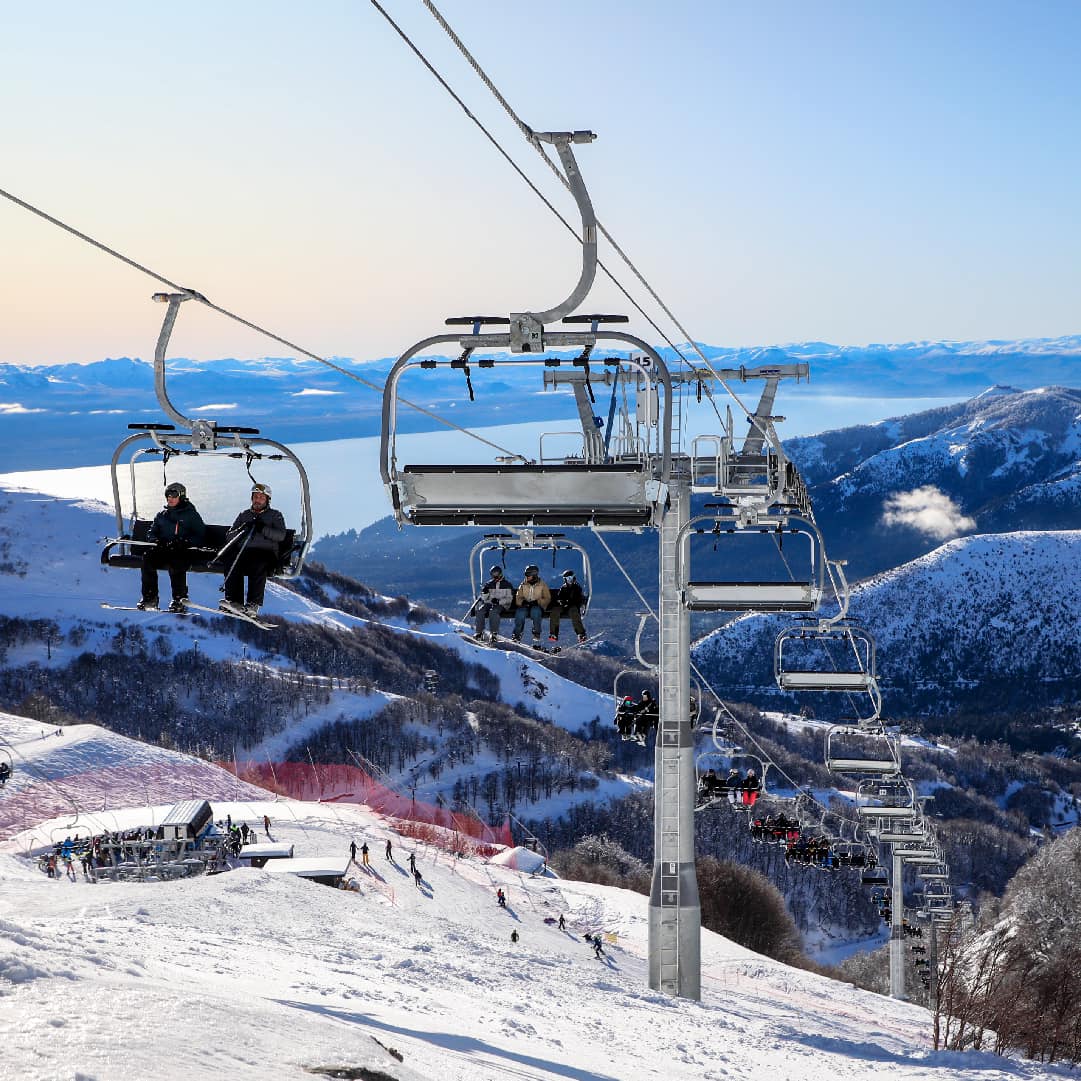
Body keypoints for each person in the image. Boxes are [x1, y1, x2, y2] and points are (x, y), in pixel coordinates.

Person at [220, 482, 288, 619]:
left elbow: (281, 535)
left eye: (261, 498)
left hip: (265, 552)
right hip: (245, 551)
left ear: (267, 500)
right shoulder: (244, 515)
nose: (258, 500)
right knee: (232, 561)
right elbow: (229, 535)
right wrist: (241, 529)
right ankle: (233, 601)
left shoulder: (275, 515)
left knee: (257, 564)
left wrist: (263, 529)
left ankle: (253, 604)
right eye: (255, 497)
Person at [138, 482, 206, 611]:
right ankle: (150, 597)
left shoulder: (190, 515)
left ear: (181, 497)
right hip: (165, 549)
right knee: (148, 558)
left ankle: (179, 599)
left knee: (176, 562)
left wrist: (185, 542)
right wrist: (157, 540)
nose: (170, 498)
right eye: (168, 495)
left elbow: (200, 535)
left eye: (173, 495)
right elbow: (151, 532)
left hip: (183, 551)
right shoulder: (162, 515)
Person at [473, 566, 515, 642]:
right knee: (480, 611)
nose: (495, 576)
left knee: (493, 612)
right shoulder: (489, 584)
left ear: (500, 574)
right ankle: (479, 632)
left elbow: (509, 599)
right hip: (489, 603)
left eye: (497, 574)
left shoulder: (507, 585)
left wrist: (499, 601)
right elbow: (484, 599)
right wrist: (485, 593)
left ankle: (494, 633)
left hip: (502, 604)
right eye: (493, 574)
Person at [512, 565, 551, 645]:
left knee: (535, 612)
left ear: (534, 575)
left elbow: (547, 598)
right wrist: (523, 602)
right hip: (525, 606)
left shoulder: (542, 585)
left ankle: (536, 633)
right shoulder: (523, 584)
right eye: (526, 575)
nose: (526, 577)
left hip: (537, 606)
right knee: (520, 613)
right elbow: (518, 597)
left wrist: (538, 602)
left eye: (528, 575)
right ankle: (517, 634)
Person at [548, 569, 588, 645]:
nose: (569, 580)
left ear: (573, 578)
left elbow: (577, 600)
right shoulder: (563, 588)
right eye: (567, 579)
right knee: (555, 611)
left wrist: (567, 602)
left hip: (572, 606)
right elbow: (560, 597)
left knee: (574, 613)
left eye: (570, 578)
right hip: (564, 606)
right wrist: (561, 602)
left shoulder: (577, 588)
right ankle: (554, 634)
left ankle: (581, 634)